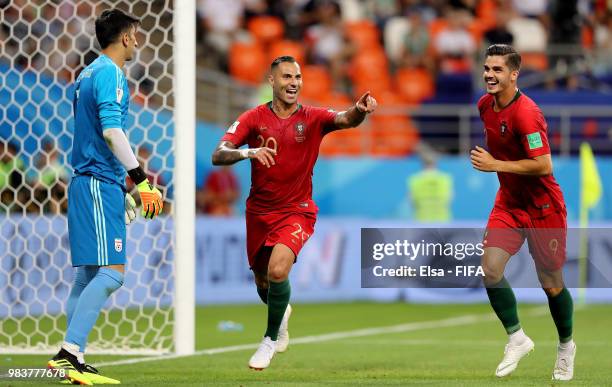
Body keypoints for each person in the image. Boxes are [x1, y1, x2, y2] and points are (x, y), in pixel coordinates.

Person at [212, 56, 377, 370]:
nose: (294, 83)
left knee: (277, 271)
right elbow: (218, 153)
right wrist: (249, 151)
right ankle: (282, 311)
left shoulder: (313, 117)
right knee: (263, 282)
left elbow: (345, 119)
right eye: (287, 77)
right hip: (259, 212)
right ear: (271, 81)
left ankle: (269, 340)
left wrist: (359, 109)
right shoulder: (252, 118)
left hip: (297, 211)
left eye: (298, 77)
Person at [46, 9, 163, 385]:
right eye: (136, 35)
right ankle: (68, 353)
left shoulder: (86, 73)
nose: (139, 41)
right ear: (126, 37)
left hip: (87, 181)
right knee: (112, 275)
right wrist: (141, 181)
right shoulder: (111, 74)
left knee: (88, 275)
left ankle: (73, 357)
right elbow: (112, 133)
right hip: (98, 182)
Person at [471, 44, 574, 381]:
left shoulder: (526, 113)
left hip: (544, 209)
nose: (489, 74)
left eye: (497, 70)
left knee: (552, 285)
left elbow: (543, 165)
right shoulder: (484, 106)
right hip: (509, 205)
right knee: (490, 269)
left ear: (514, 74)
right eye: (487, 68)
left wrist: (495, 164)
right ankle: (517, 338)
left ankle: (565, 347)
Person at [407, 153, 453, 222]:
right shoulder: (445, 178)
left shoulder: (415, 179)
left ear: (422, 164)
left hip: (421, 219)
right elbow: (449, 198)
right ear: (435, 163)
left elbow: (411, 201)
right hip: (442, 220)